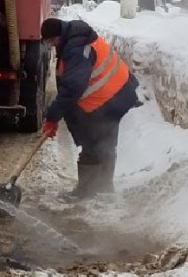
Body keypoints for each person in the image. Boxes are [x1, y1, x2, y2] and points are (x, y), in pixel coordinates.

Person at [39, 17, 140, 199]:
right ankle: (102, 190)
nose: (53, 46)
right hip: (113, 95)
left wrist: (53, 117)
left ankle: (89, 192)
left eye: (52, 41)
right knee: (103, 144)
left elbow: (72, 87)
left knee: (95, 144)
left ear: (58, 36)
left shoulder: (76, 49)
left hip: (109, 99)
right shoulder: (74, 40)